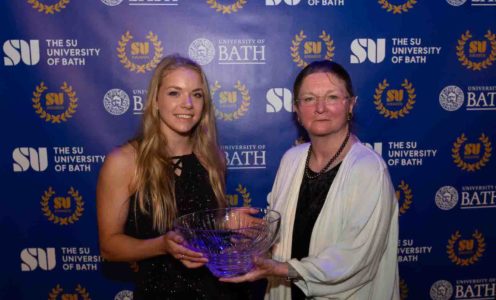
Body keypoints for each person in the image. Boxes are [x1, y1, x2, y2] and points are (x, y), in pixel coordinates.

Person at [221, 60, 399, 299]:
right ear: (296, 108)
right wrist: (250, 231)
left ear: (351, 105)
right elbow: (285, 234)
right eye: (308, 99)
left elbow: (357, 256)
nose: (320, 108)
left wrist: (282, 269)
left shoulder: (368, 169)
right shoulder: (291, 160)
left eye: (333, 97)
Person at [97, 54, 247, 299]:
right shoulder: (124, 162)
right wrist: (161, 245)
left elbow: (204, 228)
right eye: (174, 93)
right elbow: (109, 247)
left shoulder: (214, 158)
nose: (188, 103)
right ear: (155, 100)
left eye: (197, 94)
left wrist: (227, 224)